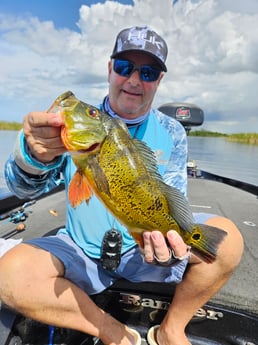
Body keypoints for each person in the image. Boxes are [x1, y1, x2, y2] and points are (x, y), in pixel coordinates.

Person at [0, 26, 243, 345]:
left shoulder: (172, 132)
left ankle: (171, 329)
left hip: (142, 250)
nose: (134, 80)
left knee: (227, 242)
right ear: (110, 69)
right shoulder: (69, 130)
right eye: (124, 67)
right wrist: (32, 155)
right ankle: (113, 332)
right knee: (9, 276)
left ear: (159, 80)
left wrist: (168, 244)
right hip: (80, 249)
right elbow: (25, 190)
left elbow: (171, 197)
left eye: (148, 71)